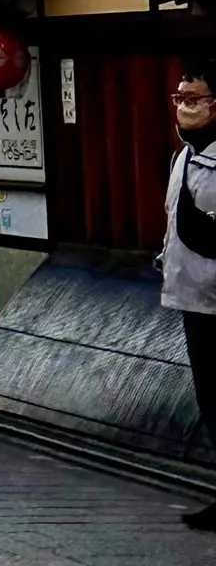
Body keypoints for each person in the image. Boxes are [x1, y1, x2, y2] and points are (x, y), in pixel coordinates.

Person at [160, 59, 216, 530]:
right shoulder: (183, 157)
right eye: (179, 99)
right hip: (191, 296)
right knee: (211, 400)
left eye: (193, 99)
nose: (183, 107)